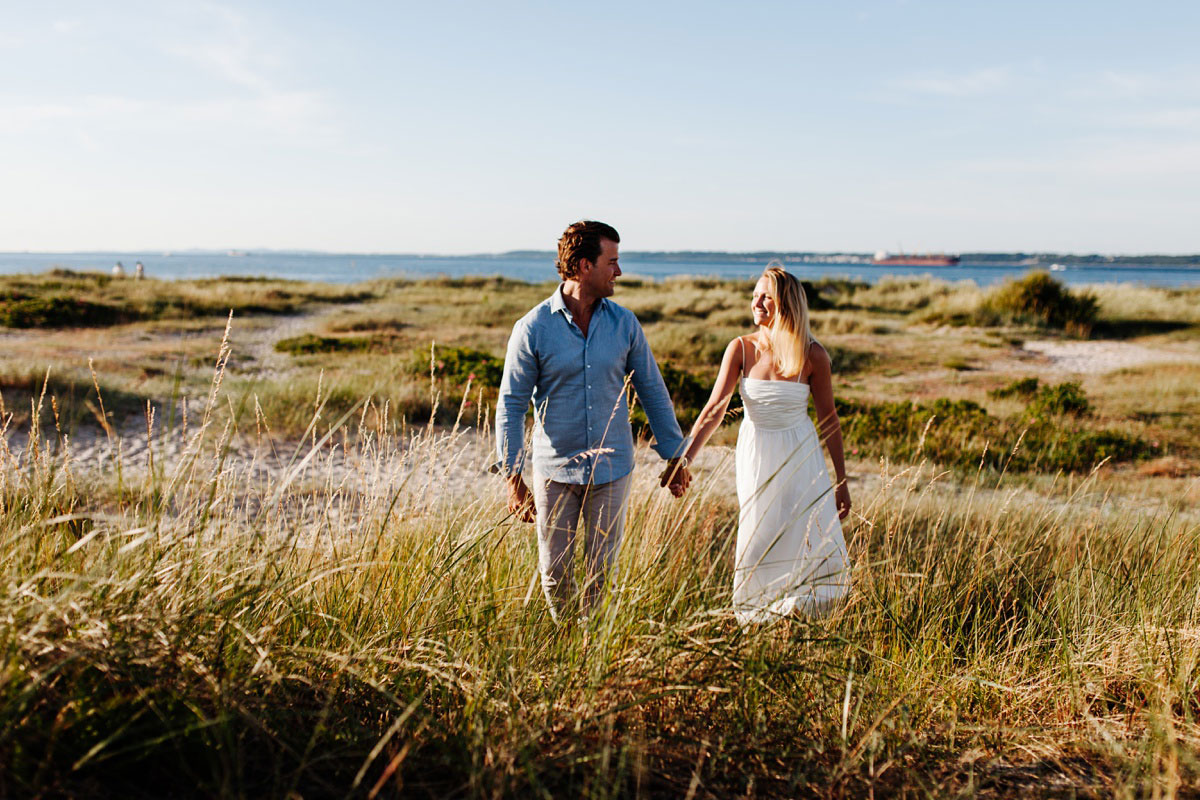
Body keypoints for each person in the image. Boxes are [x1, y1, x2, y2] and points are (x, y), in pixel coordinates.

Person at [495, 220, 692, 621]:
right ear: (585, 266)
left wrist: (675, 458)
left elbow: (653, 390)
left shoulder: (625, 324)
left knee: (600, 575)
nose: (618, 272)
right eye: (612, 262)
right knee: (555, 573)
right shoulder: (532, 328)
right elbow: (511, 404)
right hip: (555, 471)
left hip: (612, 469)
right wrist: (513, 479)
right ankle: (567, 643)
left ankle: (589, 652)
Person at [678, 264, 851, 623]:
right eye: (754, 295)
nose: (756, 302)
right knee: (759, 532)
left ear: (785, 303)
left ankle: (800, 617)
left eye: (765, 297)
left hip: (801, 455)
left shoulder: (813, 354)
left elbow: (829, 420)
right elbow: (714, 409)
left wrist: (842, 481)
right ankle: (756, 618)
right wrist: (685, 460)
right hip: (757, 453)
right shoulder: (740, 348)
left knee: (803, 531)